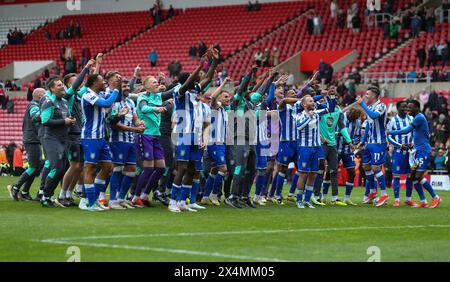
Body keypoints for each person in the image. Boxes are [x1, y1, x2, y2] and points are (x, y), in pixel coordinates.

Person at [388, 100, 442, 208]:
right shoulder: (416, 117)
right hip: (416, 151)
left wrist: (391, 132)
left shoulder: (419, 117)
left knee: (417, 176)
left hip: (423, 151)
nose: (408, 110)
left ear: (417, 108)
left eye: (410, 107)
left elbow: (406, 130)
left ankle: (436, 197)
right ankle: (423, 201)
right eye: (407, 107)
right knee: (413, 177)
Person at [80, 74, 121, 211]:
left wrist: (117, 86)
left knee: (108, 167)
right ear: (93, 83)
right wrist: (115, 89)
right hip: (90, 137)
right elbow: (106, 103)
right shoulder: (88, 95)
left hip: (101, 137)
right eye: (101, 80)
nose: (103, 82)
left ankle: (94, 199)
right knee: (90, 168)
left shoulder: (101, 93)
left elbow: (116, 98)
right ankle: (89, 202)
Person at [133, 74, 174, 208]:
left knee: (161, 169)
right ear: (146, 86)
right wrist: (157, 108)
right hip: (145, 135)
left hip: (156, 136)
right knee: (148, 168)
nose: (157, 84)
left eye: (157, 82)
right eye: (154, 82)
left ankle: (145, 195)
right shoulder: (142, 97)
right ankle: (136, 197)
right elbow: (144, 108)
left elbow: (173, 91)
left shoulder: (158, 96)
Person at [294, 92, 336, 208]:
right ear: (303, 104)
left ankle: (307, 199)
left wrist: (330, 97)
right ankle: (299, 200)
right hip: (304, 148)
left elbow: (330, 109)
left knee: (313, 174)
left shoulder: (317, 113)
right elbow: (299, 127)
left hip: (317, 148)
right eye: (310, 101)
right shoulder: (300, 115)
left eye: (313, 101)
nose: (313, 102)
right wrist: (309, 116)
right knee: (303, 174)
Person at [39, 77, 75, 208]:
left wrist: (70, 120)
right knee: (56, 168)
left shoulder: (64, 102)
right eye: (59, 85)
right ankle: (44, 195)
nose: (62, 87)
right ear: (52, 89)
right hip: (51, 139)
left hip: (63, 139)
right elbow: (45, 120)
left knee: (62, 169)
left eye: (62, 85)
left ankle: (48, 195)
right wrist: (64, 121)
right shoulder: (49, 102)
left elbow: (65, 118)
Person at [108, 79, 145, 209]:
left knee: (131, 171)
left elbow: (135, 118)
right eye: (124, 86)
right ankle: (112, 200)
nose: (127, 88)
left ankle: (121, 198)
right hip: (118, 140)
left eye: (128, 85)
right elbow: (114, 123)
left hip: (130, 140)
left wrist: (140, 123)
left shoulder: (130, 102)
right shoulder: (115, 103)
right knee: (117, 169)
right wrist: (135, 129)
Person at [7, 88, 45, 201]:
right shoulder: (34, 105)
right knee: (34, 167)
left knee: (36, 168)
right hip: (32, 139)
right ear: (39, 96)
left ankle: (24, 192)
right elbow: (35, 117)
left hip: (33, 139)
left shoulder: (35, 104)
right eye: (45, 93)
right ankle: (16, 186)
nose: (47, 95)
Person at [356, 86, 390, 207]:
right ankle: (373, 192)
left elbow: (374, 116)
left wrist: (362, 104)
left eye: (368, 94)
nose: (366, 96)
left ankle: (384, 194)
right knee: (366, 167)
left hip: (379, 143)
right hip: (370, 143)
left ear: (375, 95)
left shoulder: (381, 106)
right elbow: (369, 126)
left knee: (376, 168)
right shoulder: (369, 107)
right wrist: (363, 141)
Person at [386, 101, 415, 207]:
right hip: (398, 152)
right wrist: (399, 145)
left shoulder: (411, 119)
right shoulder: (393, 121)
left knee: (410, 176)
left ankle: (408, 199)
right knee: (397, 176)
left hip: (410, 153)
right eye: (403, 107)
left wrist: (412, 143)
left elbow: (415, 133)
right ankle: (397, 199)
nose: (405, 108)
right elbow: (388, 136)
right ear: (398, 108)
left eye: (406, 107)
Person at [336, 108, 363, 205]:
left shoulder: (358, 121)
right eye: (353, 118)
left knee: (352, 172)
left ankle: (346, 198)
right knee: (332, 172)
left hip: (348, 151)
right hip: (336, 149)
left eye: (356, 118)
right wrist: (339, 136)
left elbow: (358, 136)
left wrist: (354, 143)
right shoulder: (341, 117)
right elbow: (331, 131)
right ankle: (323, 197)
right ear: (349, 114)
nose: (354, 120)